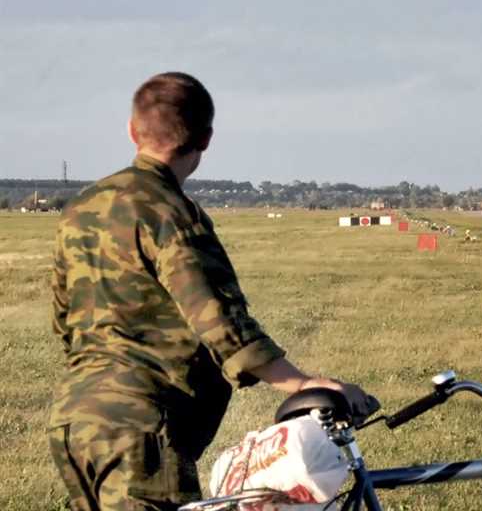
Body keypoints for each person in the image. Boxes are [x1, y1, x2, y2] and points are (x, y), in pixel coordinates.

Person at [49, 72, 370, 509]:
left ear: (131, 131)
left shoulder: (81, 208)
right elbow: (217, 316)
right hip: (141, 427)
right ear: (206, 138)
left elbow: (64, 317)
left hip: (74, 420)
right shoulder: (173, 213)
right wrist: (299, 382)